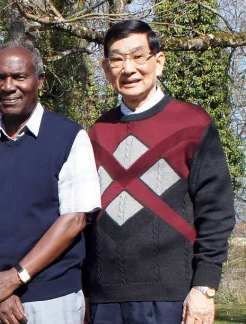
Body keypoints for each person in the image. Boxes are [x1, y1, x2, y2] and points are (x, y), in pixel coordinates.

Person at [85, 20, 236, 324]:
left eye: (138, 56)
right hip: (105, 301)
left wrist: (205, 288)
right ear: (105, 68)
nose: (128, 68)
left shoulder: (192, 124)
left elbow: (216, 211)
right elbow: (86, 219)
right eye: (117, 59)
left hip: (172, 299)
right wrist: (85, 291)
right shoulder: (96, 133)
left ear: (159, 61)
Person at [0, 41, 101, 324]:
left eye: (19, 77)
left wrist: (16, 277)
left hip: (53, 301)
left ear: (39, 81)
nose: (8, 86)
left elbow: (74, 219)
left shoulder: (69, 138)